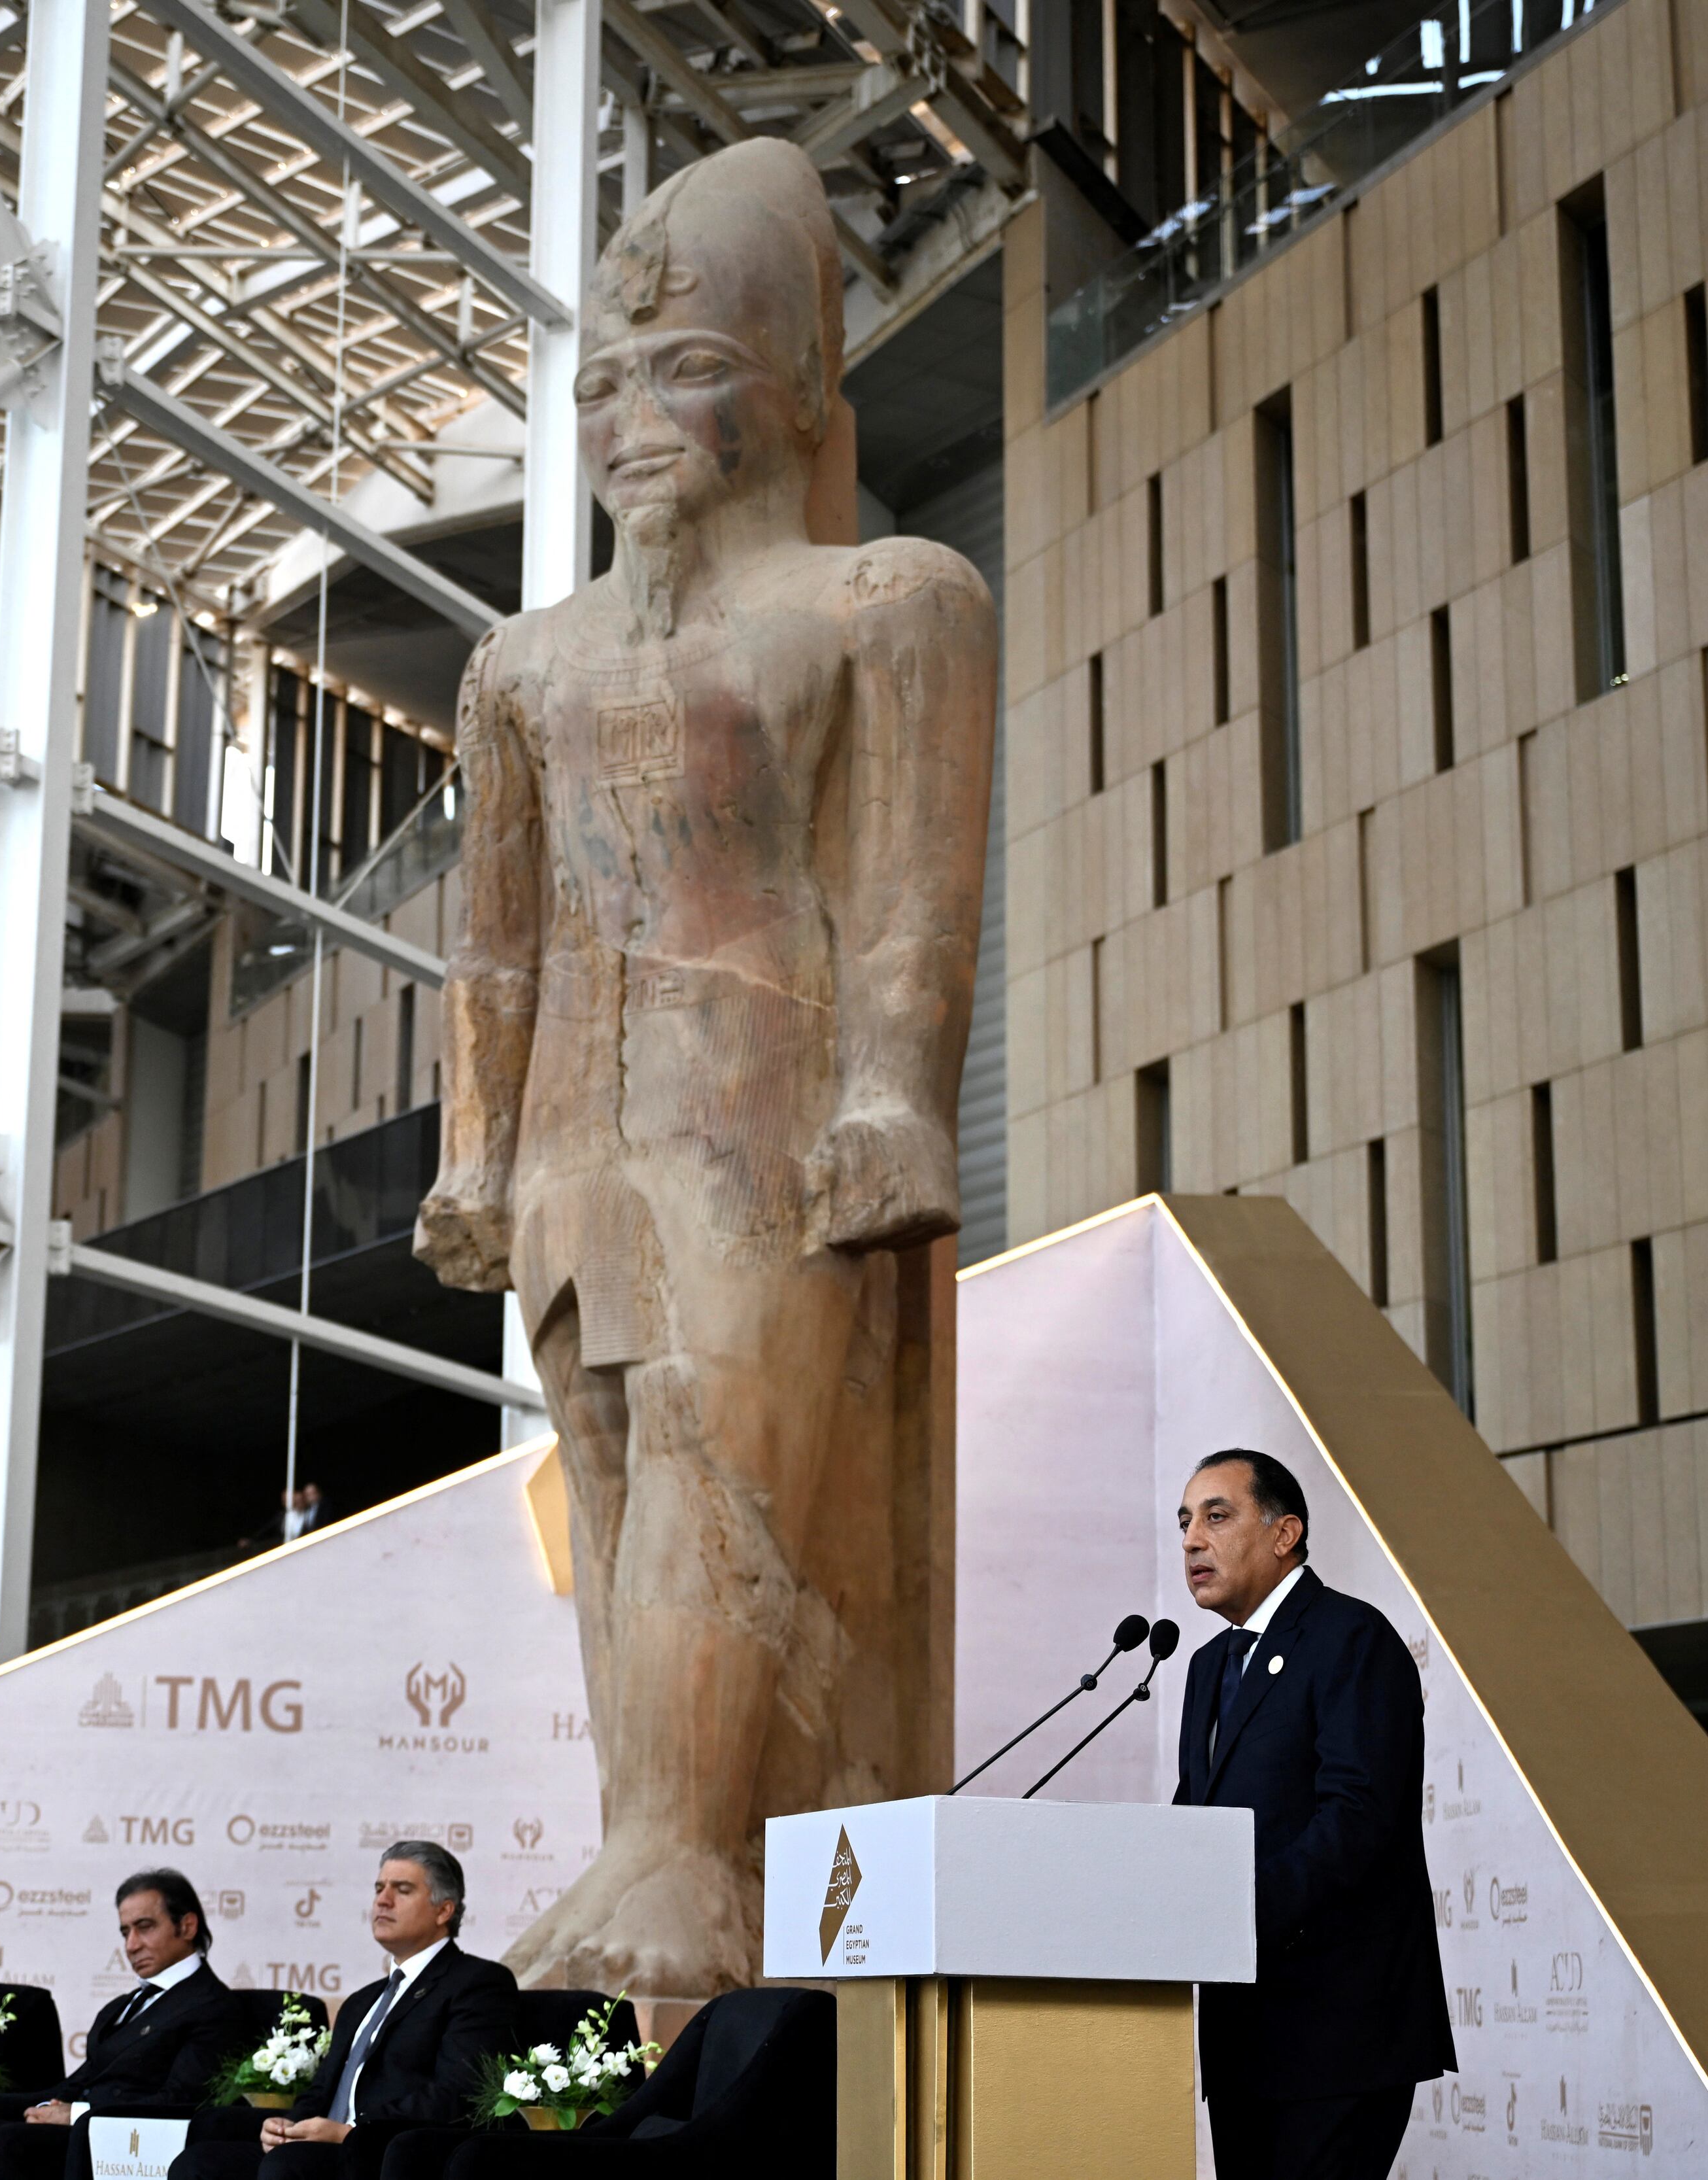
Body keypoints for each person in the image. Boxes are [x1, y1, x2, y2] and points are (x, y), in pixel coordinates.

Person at [413, 132, 997, 1995]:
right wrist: (475, 1149)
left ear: (802, 384)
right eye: (600, 383)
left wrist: (896, 1093)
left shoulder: (887, 599)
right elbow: (495, 935)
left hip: (768, 1112)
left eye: (685, 370)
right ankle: (648, 1843)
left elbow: (914, 889)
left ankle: (690, 1851)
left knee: (723, 1462)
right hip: (586, 1130)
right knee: (604, 1467)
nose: (629, 417)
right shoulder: (524, 660)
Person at [1170, 1450, 1454, 2180]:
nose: (1191, 1541)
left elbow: (1356, 1819)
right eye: (1183, 1523)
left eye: (1216, 1516)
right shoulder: (1208, 1669)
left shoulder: (1349, 1640)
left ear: (1283, 1532)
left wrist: (1232, 1909)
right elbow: (1193, 1823)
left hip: (1337, 2029)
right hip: (1242, 2032)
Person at [168, 1844, 517, 2180]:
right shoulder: (362, 2001)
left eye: (403, 1889)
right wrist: (289, 2127)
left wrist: (351, 2132)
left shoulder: (477, 1984)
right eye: (379, 1888)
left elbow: (458, 2093)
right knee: (199, 2163)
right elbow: (321, 2092)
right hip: (319, 2147)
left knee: (290, 2165)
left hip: (383, 2152)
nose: (383, 1899)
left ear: (444, 1910)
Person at [0, 1869, 233, 2180]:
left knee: (9, 2141)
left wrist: (78, 2114)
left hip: (121, 2137)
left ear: (187, 1926)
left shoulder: (212, 2005)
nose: (131, 1945)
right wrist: (43, 2106)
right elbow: (78, 2083)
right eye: (125, 1932)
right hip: (82, 2120)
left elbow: (180, 2101)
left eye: (145, 1927)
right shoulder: (124, 2005)